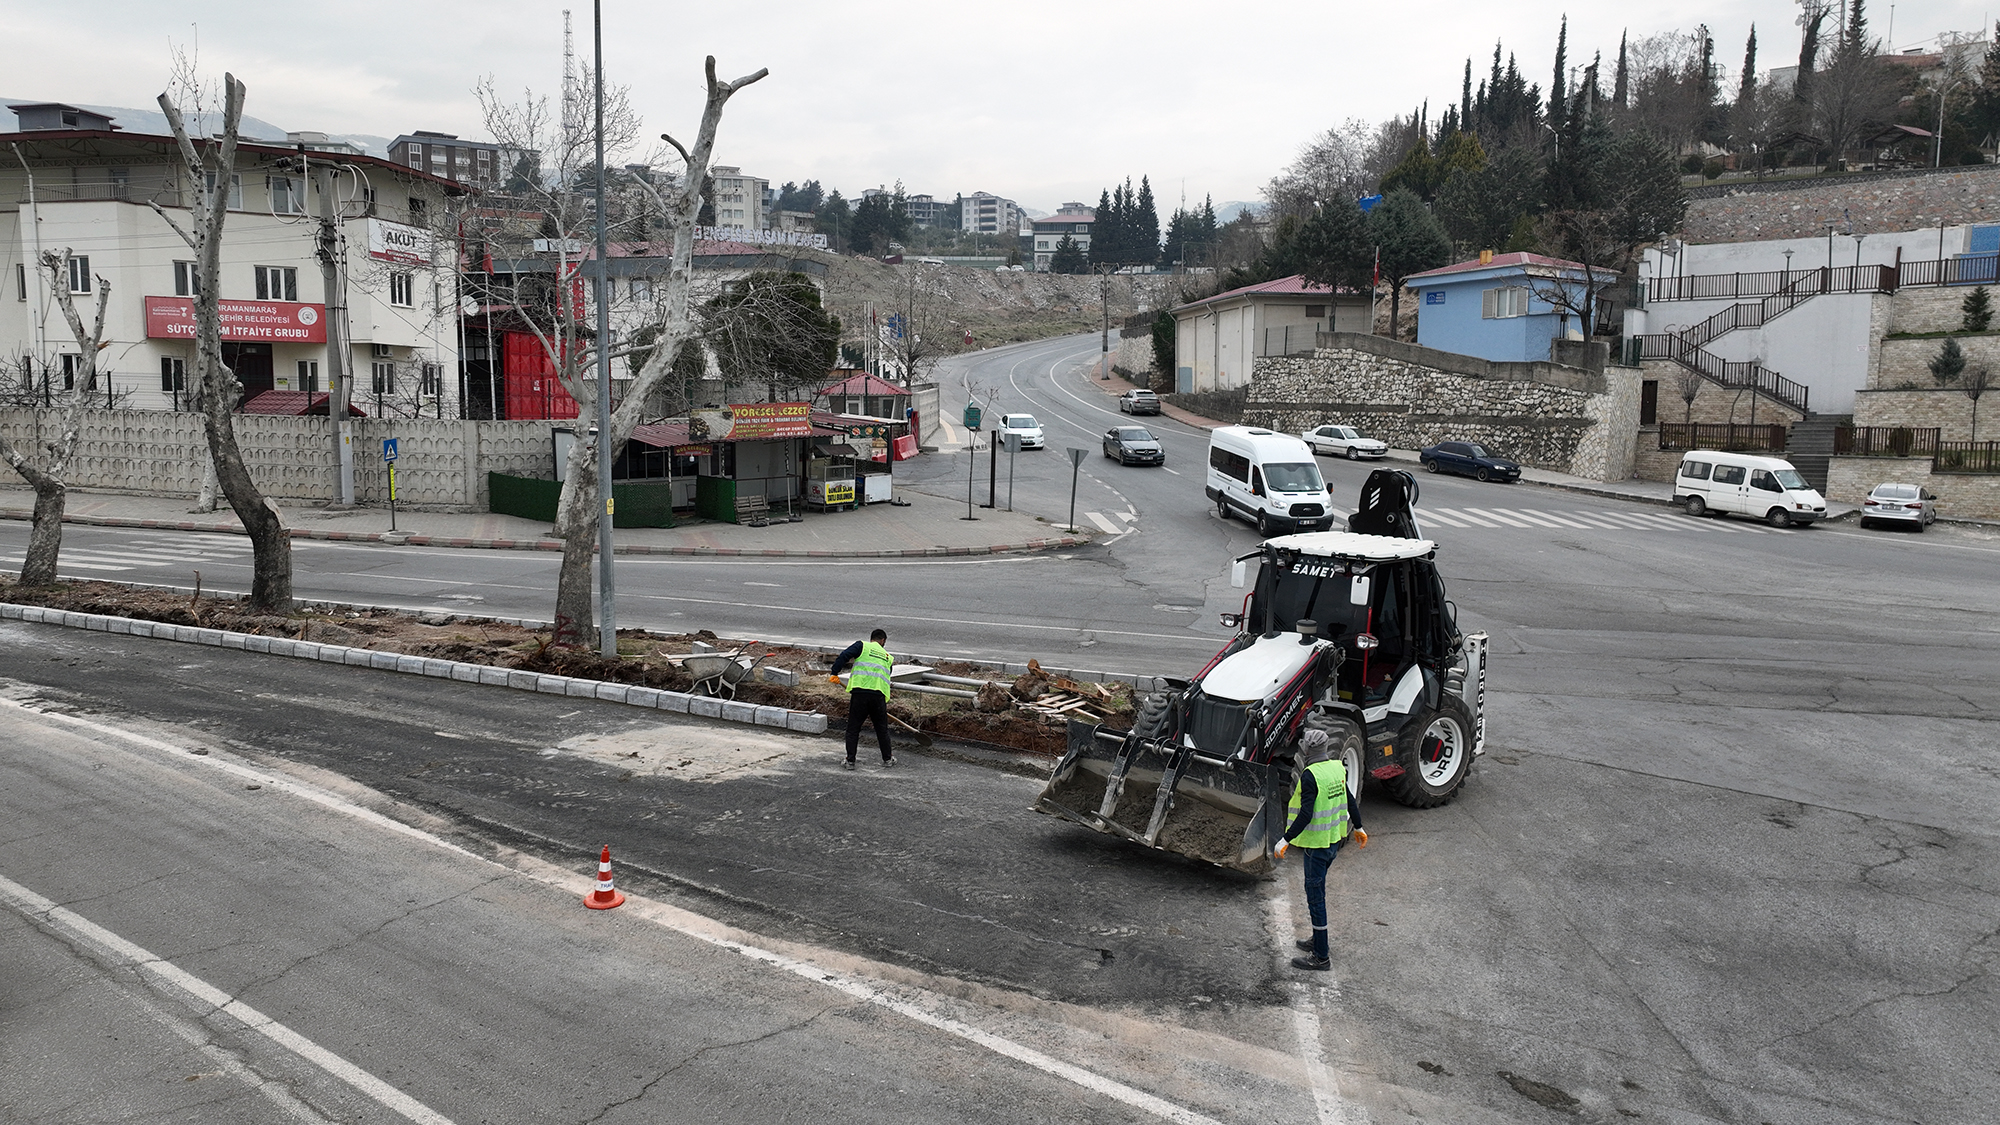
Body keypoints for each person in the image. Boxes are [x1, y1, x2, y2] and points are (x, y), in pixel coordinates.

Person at [1282, 728, 1367, 971]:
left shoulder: (1310, 775)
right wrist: (1359, 827)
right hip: (1332, 844)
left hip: (1316, 847)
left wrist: (1285, 839)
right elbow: (1350, 800)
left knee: (1315, 899)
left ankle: (1321, 957)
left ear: (1307, 750)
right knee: (1318, 894)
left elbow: (1306, 814)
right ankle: (1317, 940)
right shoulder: (1337, 768)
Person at [830, 628, 896, 770]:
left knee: (853, 728)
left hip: (860, 694)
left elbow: (844, 656)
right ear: (883, 641)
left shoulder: (862, 646)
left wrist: (835, 672)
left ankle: (850, 761)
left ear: (871, 638)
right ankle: (888, 759)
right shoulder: (888, 657)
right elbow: (887, 675)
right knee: (882, 729)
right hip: (878, 697)